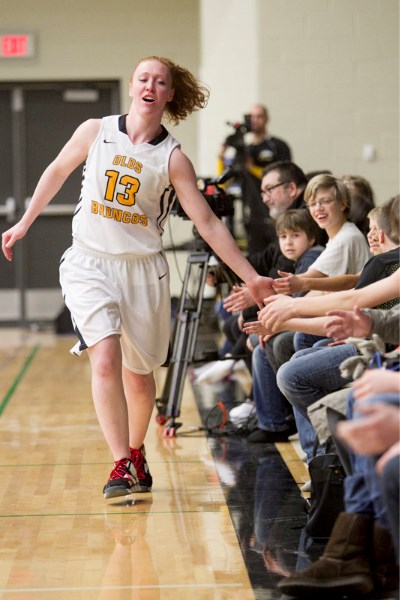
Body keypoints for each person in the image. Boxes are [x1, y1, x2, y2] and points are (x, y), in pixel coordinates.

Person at [1, 56, 276, 500]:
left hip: (143, 270)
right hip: (89, 262)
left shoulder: (173, 158)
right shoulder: (96, 130)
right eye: (144, 78)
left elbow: (207, 222)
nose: (150, 85)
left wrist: (251, 277)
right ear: (132, 85)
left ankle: (135, 449)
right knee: (104, 356)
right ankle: (121, 463)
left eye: (160, 81)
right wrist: (25, 222)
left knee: (139, 374)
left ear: (169, 94)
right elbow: (56, 171)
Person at [219, 105, 292, 253]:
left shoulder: (278, 145)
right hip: (252, 216)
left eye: (259, 116)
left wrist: (252, 168)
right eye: (251, 117)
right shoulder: (244, 150)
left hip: (276, 213)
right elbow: (226, 183)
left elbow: (285, 177)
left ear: (267, 119)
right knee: (256, 260)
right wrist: (220, 158)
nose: (255, 120)